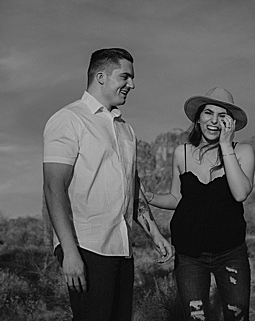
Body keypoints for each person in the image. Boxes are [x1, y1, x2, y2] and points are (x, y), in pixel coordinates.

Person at [43, 47, 174, 320]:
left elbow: (132, 187)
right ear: (101, 76)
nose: (132, 85)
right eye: (125, 77)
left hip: (121, 248)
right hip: (85, 247)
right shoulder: (68, 120)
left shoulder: (126, 129)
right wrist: (69, 252)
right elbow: (54, 188)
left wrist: (156, 234)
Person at [144, 87, 255, 320]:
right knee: (196, 318)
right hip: (189, 255)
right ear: (198, 118)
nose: (214, 120)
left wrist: (226, 146)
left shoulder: (243, 152)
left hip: (231, 252)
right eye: (208, 113)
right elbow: (177, 198)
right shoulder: (181, 153)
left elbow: (240, 193)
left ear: (231, 123)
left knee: (238, 318)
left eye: (222, 115)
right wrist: (149, 197)